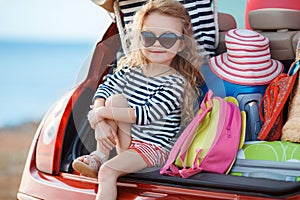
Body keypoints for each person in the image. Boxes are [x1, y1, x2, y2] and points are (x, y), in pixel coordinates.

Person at [72, 0, 204, 199]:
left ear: (181, 43)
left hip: (156, 148)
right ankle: (100, 154)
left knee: (108, 172)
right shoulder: (130, 70)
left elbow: (146, 114)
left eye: (167, 39)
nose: (157, 45)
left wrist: (99, 113)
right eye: (148, 37)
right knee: (114, 99)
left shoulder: (176, 82)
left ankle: (104, 162)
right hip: (130, 142)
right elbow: (104, 89)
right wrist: (99, 119)